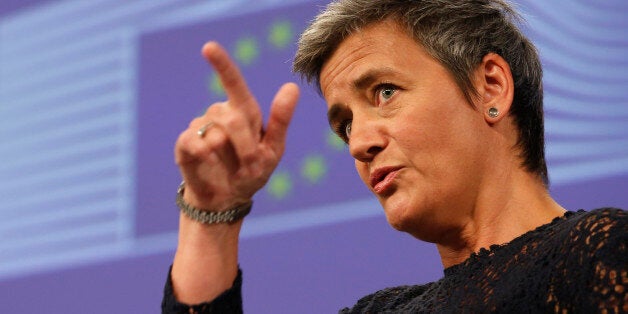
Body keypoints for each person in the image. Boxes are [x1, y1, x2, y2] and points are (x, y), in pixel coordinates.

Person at [162, 0, 627, 312]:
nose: (360, 142)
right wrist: (209, 210)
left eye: (385, 92)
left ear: (491, 87)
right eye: (344, 125)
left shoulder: (600, 253)